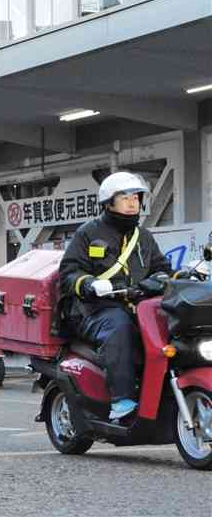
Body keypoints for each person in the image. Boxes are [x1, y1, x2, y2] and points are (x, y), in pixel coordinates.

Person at [59, 171, 171, 420]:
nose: (133, 202)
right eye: (125, 197)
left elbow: (163, 269)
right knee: (119, 327)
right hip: (94, 310)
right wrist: (89, 283)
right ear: (109, 202)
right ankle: (122, 399)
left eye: (136, 197)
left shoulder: (143, 237)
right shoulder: (88, 233)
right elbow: (68, 273)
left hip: (138, 306)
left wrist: (158, 281)